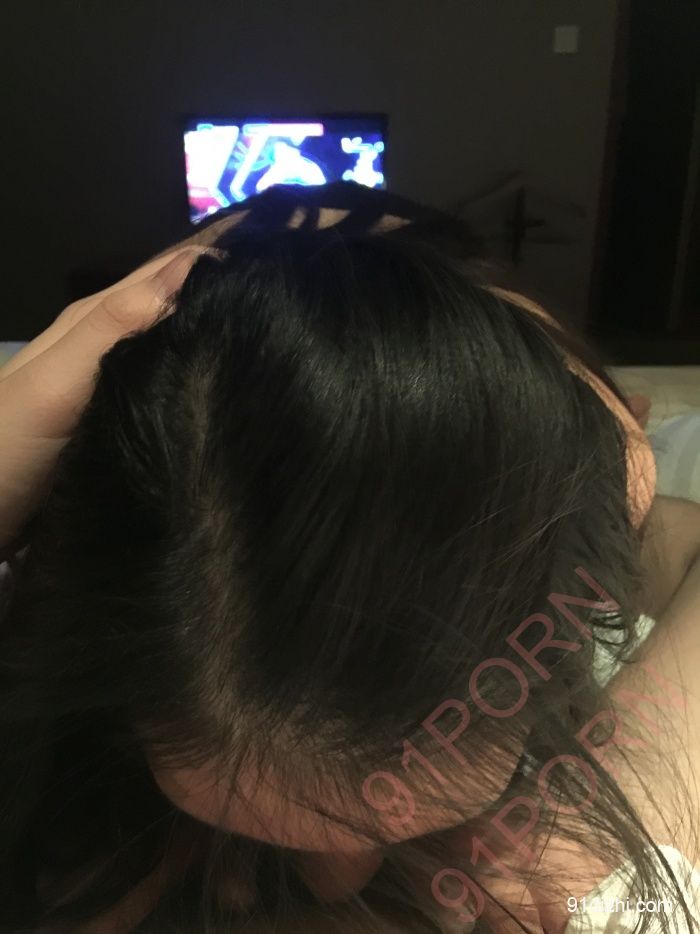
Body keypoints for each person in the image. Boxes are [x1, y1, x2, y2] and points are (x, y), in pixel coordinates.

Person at [0, 180, 699, 934]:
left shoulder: (592, 514)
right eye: (245, 834)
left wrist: (647, 795)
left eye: (417, 826)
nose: (338, 885)